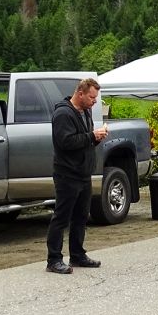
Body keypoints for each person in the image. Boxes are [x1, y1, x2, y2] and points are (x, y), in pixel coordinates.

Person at [46, 78, 108, 274]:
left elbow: (83, 141)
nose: (94, 101)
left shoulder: (86, 111)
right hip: (67, 174)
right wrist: (91, 136)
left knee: (81, 216)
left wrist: (96, 138)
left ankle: (77, 255)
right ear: (80, 93)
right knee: (62, 217)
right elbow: (65, 142)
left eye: (95, 98)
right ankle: (53, 259)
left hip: (84, 173)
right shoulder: (63, 113)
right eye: (91, 97)